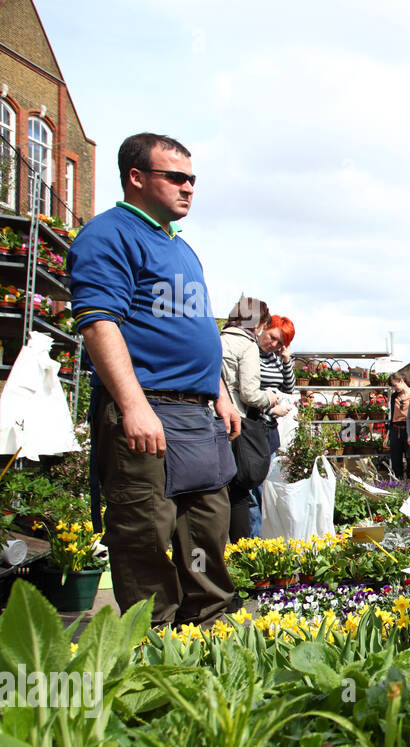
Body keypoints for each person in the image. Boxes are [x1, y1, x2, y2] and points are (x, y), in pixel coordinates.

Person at [70, 132, 240, 627]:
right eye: (176, 177)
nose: (189, 188)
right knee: (145, 533)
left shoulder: (182, 249)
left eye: (193, 180)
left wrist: (222, 393)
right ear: (137, 178)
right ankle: (153, 646)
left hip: (196, 413)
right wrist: (133, 405)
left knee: (206, 529)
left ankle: (208, 628)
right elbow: (100, 323)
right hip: (147, 409)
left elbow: (197, 330)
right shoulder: (108, 235)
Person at [220, 300, 288, 542]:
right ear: (258, 324)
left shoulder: (218, 338)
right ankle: (244, 551)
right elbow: (249, 393)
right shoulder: (246, 345)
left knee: (218, 488)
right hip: (239, 423)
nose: (273, 343)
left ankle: (220, 551)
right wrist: (270, 399)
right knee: (242, 488)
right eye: (270, 334)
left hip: (213, 420)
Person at [385, 372, 410, 480]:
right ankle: (398, 484)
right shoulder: (395, 396)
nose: (394, 388)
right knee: (396, 459)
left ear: (401, 381)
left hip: (408, 429)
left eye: (395, 385)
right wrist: (388, 436)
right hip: (396, 429)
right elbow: (391, 417)